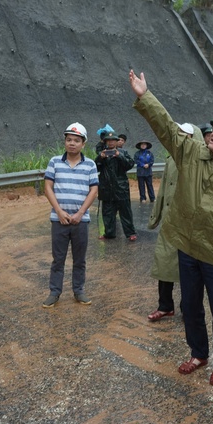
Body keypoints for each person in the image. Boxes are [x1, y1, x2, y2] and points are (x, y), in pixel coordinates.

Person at [129, 69, 213, 387]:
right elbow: (167, 129)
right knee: (189, 304)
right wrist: (145, 96)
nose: (212, 133)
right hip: (186, 246)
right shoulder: (190, 153)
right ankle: (198, 353)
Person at [147, 123, 201, 321]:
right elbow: (163, 191)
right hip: (170, 222)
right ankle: (165, 305)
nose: (179, 138)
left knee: (189, 270)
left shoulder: (199, 161)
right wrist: (156, 216)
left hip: (190, 225)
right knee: (164, 263)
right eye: (178, 134)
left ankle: (188, 308)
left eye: (184, 135)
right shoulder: (171, 159)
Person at [42, 123, 99, 308]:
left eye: (76, 140)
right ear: (65, 142)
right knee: (58, 259)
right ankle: (54, 292)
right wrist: (58, 211)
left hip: (80, 221)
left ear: (83, 144)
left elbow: (93, 190)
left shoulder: (90, 164)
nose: (72, 143)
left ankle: (79, 291)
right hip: (59, 220)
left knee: (79, 259)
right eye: (68, 140)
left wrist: (80, 213)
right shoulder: (55, 162)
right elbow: (48, 187)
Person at [96, 131, 137, 241]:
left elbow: (130, 164)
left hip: (121, 188)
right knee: (108, 212)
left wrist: (119, 156)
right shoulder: (102, 153)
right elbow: (95, 167)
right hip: (106, 188)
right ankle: (109, 233)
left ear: (116, 141)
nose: (111, 142)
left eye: (113, 140)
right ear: (105, 142)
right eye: (108, 141)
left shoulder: (123, 152)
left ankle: (130, 233)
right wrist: (100, 157)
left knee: (125, 211)